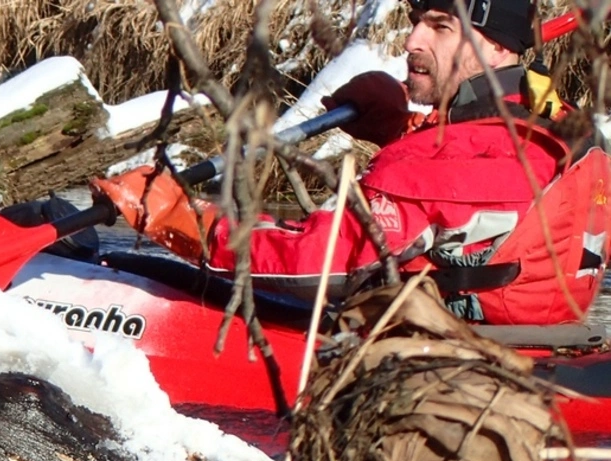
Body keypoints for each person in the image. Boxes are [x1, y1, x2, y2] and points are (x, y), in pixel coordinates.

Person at [89, 0, 604, 325]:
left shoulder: (441, 161)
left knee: (133, 268)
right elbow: (478, 186)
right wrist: (400, 128)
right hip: (536, 340)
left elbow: (314, 263)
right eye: (416, 22)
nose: (412, 41)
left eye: (440, 27)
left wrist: (181, 220)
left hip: (440, 375)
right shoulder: (565, 128)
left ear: (493, 48)